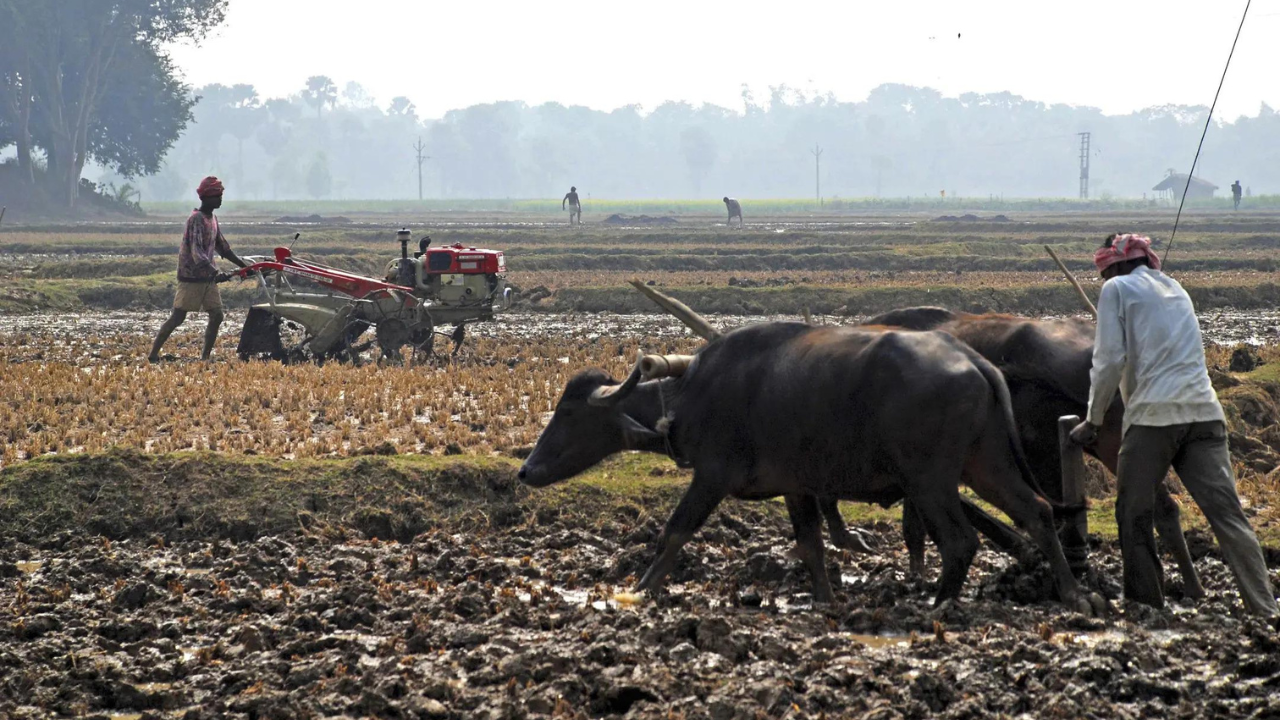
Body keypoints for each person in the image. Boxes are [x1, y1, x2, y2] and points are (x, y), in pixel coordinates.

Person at [1070, 233, 1277, 617]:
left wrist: (1093, 420)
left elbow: (1110, 360)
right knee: (1229, 516)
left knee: (1133, 511)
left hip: (1153, 418)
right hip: (1205, 413)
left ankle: (1145, 606)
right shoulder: (1177, 288)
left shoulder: (1116, 288)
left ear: (1113, 265)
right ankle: (1264, 609)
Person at [148, 176, 248, 363]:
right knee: (178, 317)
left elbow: (223, 247)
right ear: (207, 197)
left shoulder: (212, 219)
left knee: (217, 315)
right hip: (191, 277)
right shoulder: (196, 220)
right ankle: (153, 354)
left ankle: (205, 357)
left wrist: (245, 267)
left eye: (221, 195)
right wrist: (215, 273)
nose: (220, 199)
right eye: (217, 195)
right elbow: (197, 253)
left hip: (207, 277)